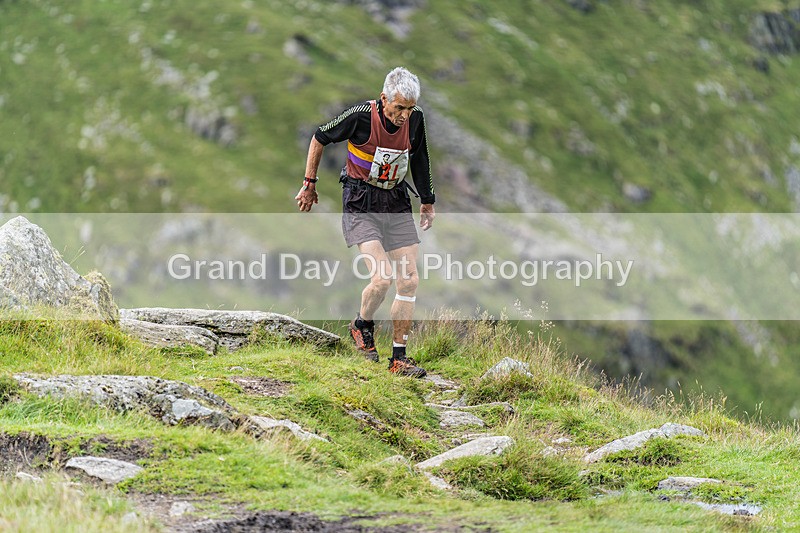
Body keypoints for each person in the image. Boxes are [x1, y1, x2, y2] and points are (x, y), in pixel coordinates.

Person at [295, 67, 435, 378]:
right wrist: (309, 183)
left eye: (409, 109)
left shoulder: (415, 119)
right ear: (385, 98)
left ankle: (399, 359)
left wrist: (427, 200)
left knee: (409, 280)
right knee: (382, 278)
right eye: (398, 107)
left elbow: (420, 156)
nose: (403, 115)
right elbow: (319, 137)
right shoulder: (360, 116)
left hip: (396, 202)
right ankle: (362, 324)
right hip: (361, 203)